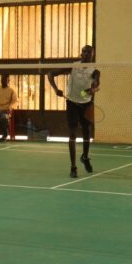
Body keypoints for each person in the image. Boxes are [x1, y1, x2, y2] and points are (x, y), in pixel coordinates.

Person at [47, 45, 101, 178]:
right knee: (72, 134)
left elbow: (96, 84)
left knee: (87, 132)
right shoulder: (73, 66)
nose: (86, 54)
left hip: (87, 104)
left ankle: (85, 157)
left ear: (92, 55)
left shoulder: (95, 71)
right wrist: (56, 89)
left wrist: (92, 89)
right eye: (84, 52)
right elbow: (50, 74)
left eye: (89, 52)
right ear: (81, 54)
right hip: (72, 103)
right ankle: (73, 167)